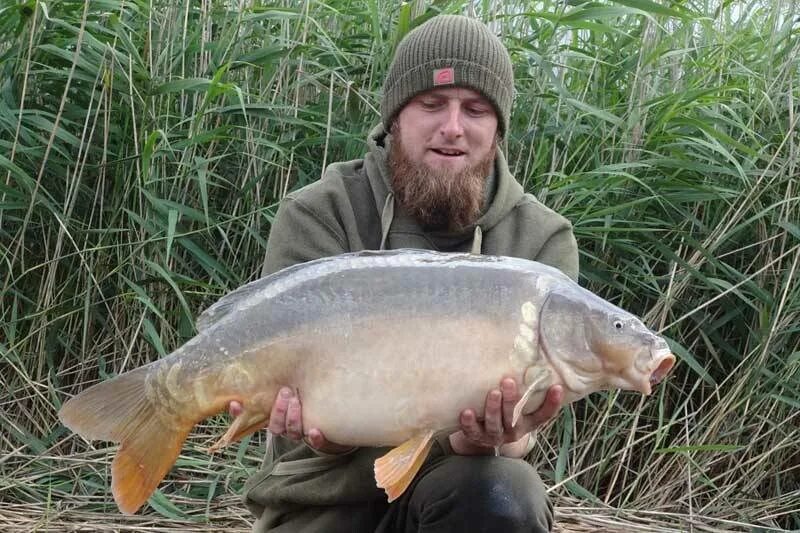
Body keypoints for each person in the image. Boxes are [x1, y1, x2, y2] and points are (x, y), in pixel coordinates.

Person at [235, 14, 579, 533]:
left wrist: (490, 438)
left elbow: (522, 433)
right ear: (395, 116)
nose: (453, 127)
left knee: (506, 491)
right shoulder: (321, 213)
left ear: (498, 129)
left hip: (455, 496)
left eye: (476, 109)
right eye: (432, 104)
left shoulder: (539, 244)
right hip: (320, 501)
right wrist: (323, 429)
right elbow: (304, 412)